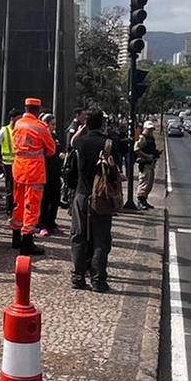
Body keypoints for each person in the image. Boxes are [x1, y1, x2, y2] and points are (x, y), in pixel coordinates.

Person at [63, 108, 114, 293]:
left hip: (81, 194)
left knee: (79, 236)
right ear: (102, 124)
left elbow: (71, 165)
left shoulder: (80, 143)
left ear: (86, 123)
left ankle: (78, 277)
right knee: (101, 238)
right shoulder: (108, 144)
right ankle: (98, 279)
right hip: (101, 197)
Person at [11, 98, 57, 256]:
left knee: (18, 203)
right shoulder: (40, 127)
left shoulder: (18, 124)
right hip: (34, 171)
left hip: (18, 168)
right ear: (38, 110)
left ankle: (15, 238)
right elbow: (51, 150)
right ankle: (27, 243)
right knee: (32, 206)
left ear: (26, 108)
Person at [38, 113, 63, 236]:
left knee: (55, 199)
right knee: (45, 200)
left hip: (55, 172)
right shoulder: (41, 136)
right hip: (45, 171)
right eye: (52, 124)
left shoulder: (54, 136)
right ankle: (42, 224)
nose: (54, 127)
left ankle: (52, 223)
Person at [0, 109, 21, 215]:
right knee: (10, 187)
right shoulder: (4, 130)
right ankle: (9, 209)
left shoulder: (20, 130)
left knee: (17, 187)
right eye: (18, 119)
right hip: (8, 164)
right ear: (12, 118)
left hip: (19, 163)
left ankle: (16, 207)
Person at [134, 121, 160, 210]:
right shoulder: (142, 138)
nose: (150, 131)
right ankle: (141, 201)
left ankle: (144, 200)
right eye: (149, 129)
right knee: (144, 182)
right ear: (145, 129)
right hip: (145, 164)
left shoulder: (151, 138)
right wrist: (147, 156)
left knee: (149, 183)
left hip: (151, 164)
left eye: (151, 129)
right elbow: (136, 149)